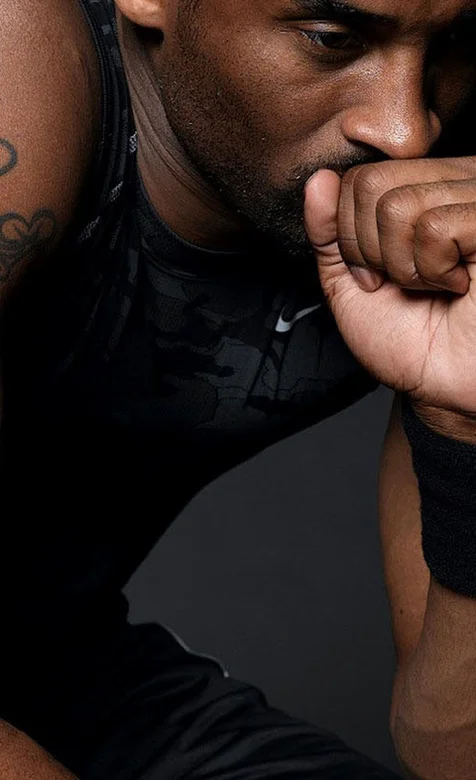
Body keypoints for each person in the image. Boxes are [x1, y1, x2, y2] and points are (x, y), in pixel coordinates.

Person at [2, 0, 476, 778]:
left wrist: (463, 428)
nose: (406, 132)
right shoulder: (19, 59)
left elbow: (451, 754)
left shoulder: (447, 185)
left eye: (458, 43)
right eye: (332, 39)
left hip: (62, 667)